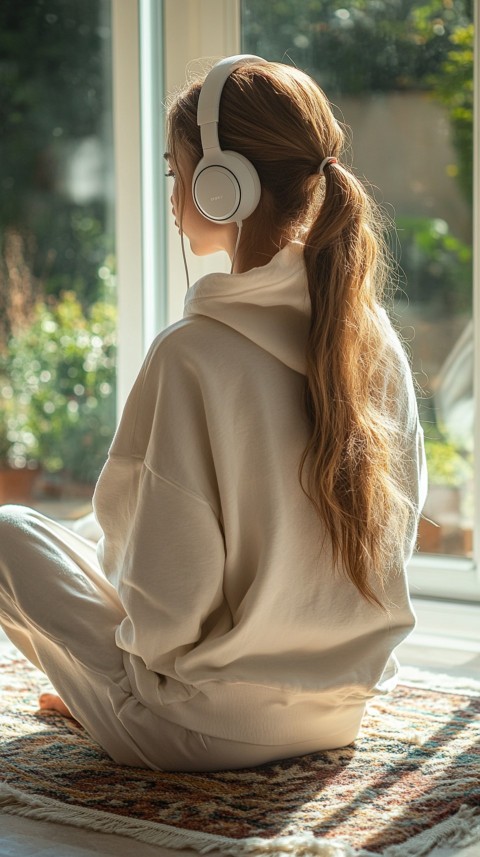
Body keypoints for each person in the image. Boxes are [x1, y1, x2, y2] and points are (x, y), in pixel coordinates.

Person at [0, 55, 427, 772]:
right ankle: (98, 691)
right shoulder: (371, 338)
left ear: (222, 186)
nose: (173, 193)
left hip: (196, 733)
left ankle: (95, 700)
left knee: (9, 533)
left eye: (177, 172)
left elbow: (165, 615)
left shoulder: (191, 356)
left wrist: (118, 635)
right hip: (340, 713)